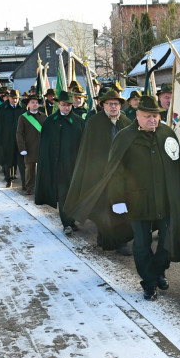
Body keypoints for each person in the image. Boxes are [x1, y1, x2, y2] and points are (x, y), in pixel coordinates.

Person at [93, 94, 180, 300]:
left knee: (167, 240)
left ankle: (159, 271)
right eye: (147, 116)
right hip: (137, 200)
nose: (152, 120)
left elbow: (177, 165)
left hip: (164, 198)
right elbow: (115, 170)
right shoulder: (125, 136)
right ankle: (149, 282)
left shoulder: (167, 133)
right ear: (137, 114)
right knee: (142, 243)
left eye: (155, 116)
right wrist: (117, 198)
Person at [66, 88, 135, 253]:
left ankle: (121, 241)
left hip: (121, 173)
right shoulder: (94, 123)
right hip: (100, 172)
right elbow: (88, 151)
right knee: (103, 207)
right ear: (103, 105)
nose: (113, 107)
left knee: (122, 207)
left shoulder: (126, 122)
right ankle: (105, 237)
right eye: (110, 104)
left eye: (116, 104)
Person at [35, 91, 86, 234]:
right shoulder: (50, 122)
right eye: (63, 105)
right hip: (58, 167)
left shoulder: (78, 122)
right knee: (63, 195)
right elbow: (45, 146)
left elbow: (83, 145)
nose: (66, 108)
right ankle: (67, 223)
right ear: (58, 104)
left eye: (69, 105)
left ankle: (72, 219)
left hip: (74, 165)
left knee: (75, 194)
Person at [16, 94, 48, 195]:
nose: (35, 104)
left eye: (37, 102)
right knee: (30, 169)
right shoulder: (23, 117)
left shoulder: (44, 116)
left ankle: (42, 187)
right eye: (33, 102)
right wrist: (22, 148)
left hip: (42, 146)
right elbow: (19, 134)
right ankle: (29, 187)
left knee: (43, 168)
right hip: (29, 147)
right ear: (28, 105)